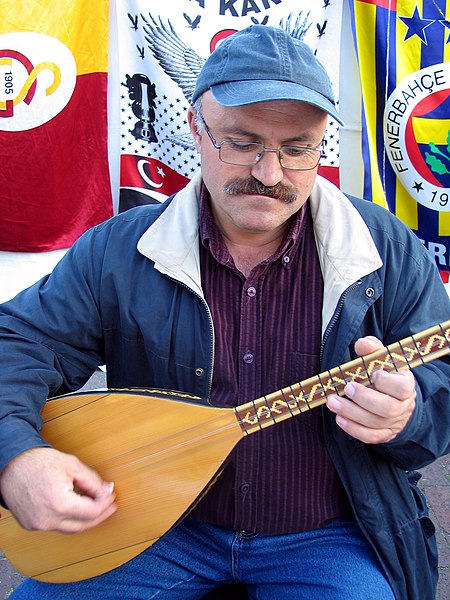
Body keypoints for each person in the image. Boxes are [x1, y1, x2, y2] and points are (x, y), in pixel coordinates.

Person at [0, 25, 449, 600]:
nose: (269, 172)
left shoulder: (383, 249)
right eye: (240, 142)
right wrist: (17, 454)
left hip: (330, 535)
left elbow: (442, 388)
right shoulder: (119, 250)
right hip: (153, 528)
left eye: (297, 149)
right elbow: (19, 343)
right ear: (195, 127)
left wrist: (406, 416)